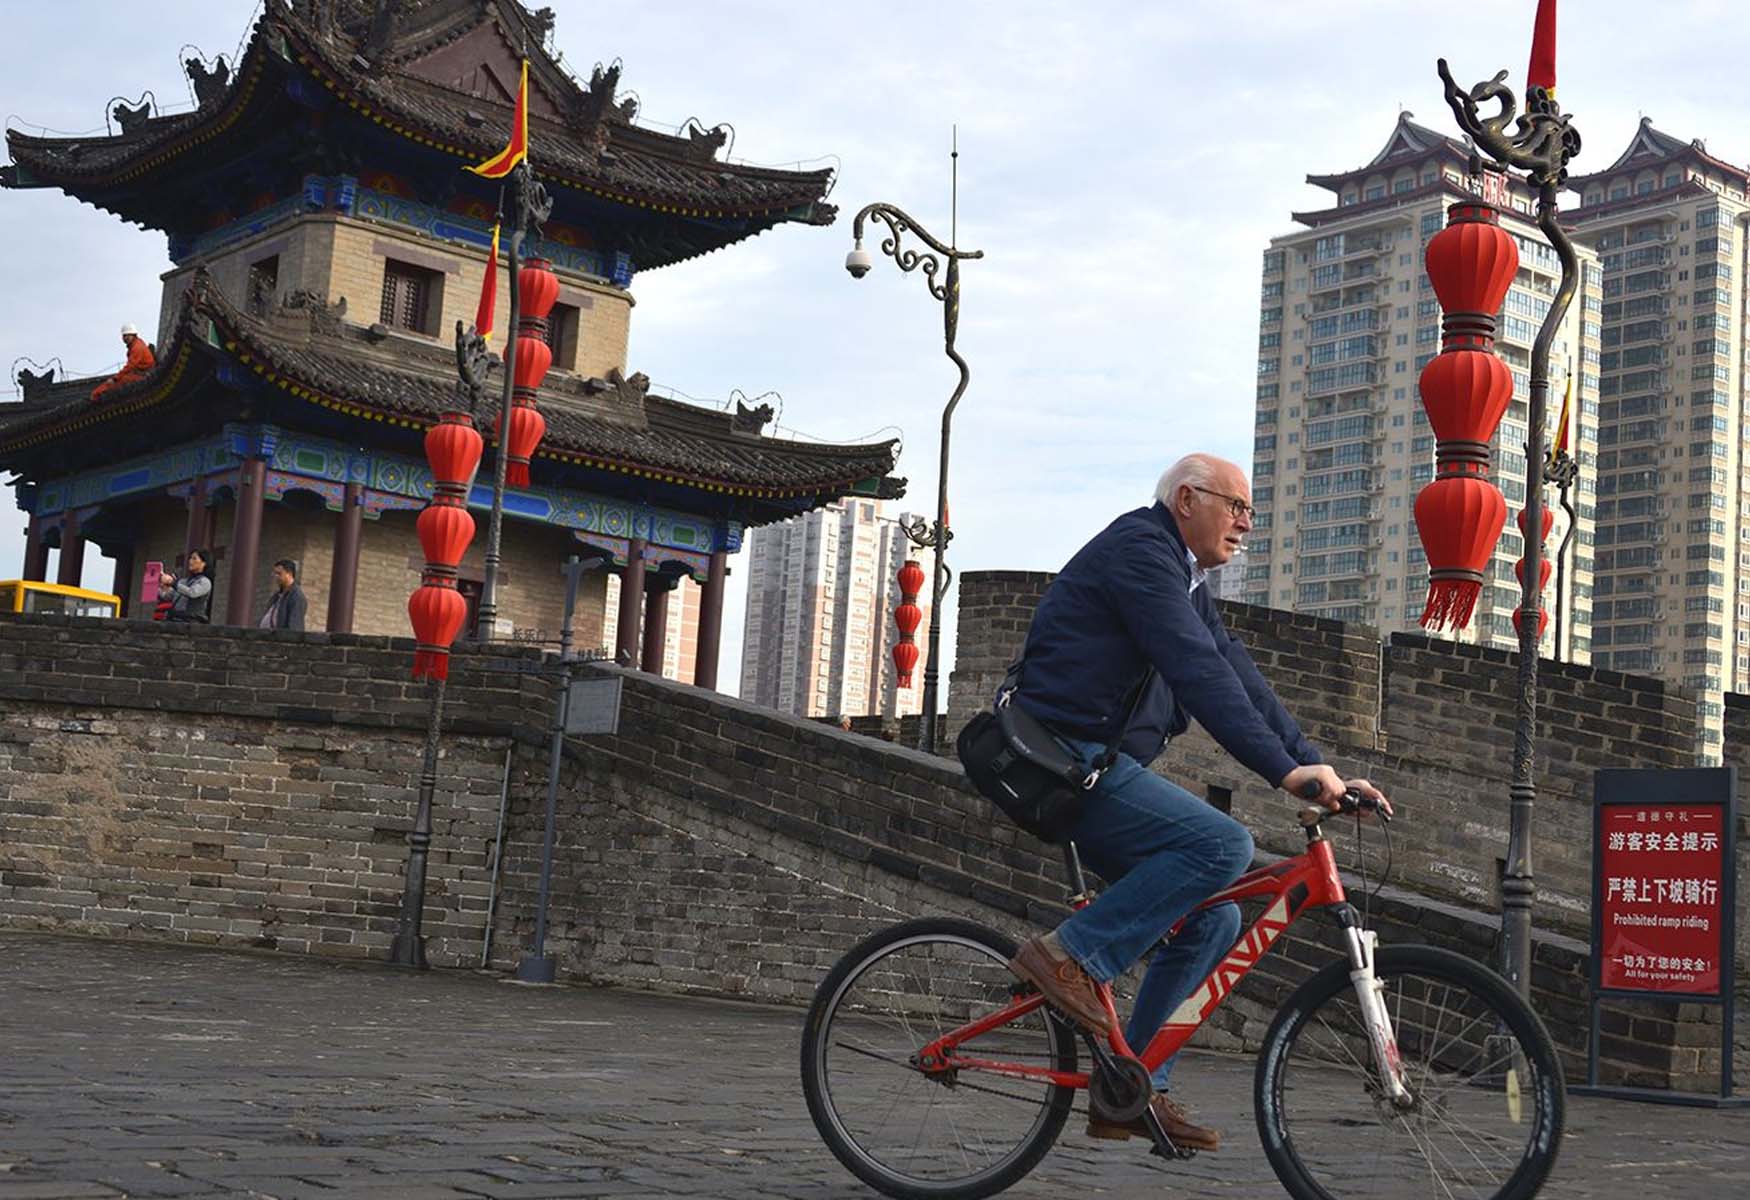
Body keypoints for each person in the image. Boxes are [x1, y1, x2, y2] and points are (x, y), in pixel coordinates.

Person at [1003, 453, 1389, 1152]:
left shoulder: (1184, 581)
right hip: (1059, 760)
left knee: (1213, 921)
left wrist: (1315, 766)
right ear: (1187, 499)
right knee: (1222, 846)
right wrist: (1281, 774)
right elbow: (1198, 672)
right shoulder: (1141, 554)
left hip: (1095, 766)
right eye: (1236, 506)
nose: (1247, 522)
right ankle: (1068, 958)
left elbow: (1240, 674)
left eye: (1251, 511)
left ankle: (1133, 1090)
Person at [90, 324, 157, 401]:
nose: (125, 338)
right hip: (139, 373)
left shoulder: (137, 348)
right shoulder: (137, 344)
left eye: (127, 336)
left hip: (141, 375)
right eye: (124, 336)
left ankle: (96, 397)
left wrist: (115, 378)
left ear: (133, 335)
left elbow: (130, 366)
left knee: (111, 386)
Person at [160, 549, 214, 623]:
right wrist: (162, 587)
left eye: (194, 558)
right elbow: (168, 596)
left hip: (191, 623)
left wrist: (173, 582)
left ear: (204, 563)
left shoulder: (205, 581)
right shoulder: (183, 581)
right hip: (175, 620)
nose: (190, 561)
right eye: (190, 558)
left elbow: (192, 593)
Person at [259, 558, 307, 631]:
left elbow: (295, 627)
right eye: (275, 573)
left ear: (289, 574)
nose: (276, 576)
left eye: (279, 573)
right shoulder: (277, 596)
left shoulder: (296, 596)